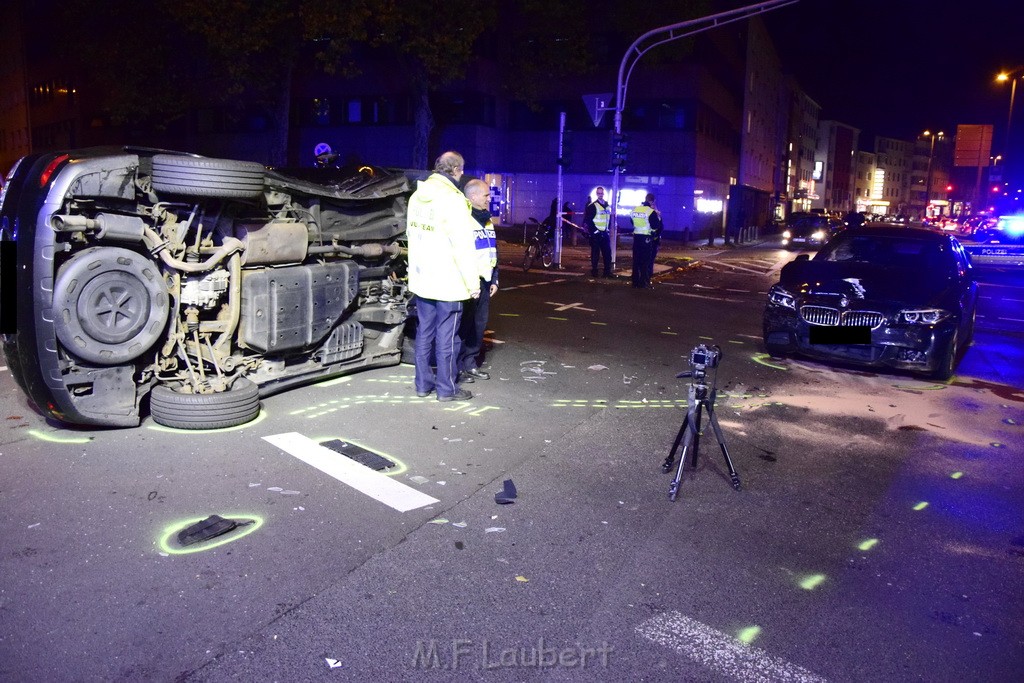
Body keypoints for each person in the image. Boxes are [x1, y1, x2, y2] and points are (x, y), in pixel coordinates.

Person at [406, 151, 481, 402]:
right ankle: (447, 389)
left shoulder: (418, 196)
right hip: (448, 282)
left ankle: (422, 385)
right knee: (448, 338)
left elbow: (411, 236)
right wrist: (473, 283)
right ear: (457, 170)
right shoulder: (453, 200)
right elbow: (463, 246)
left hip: (423, 280)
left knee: (424, 334)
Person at [456, 178, 499, 383]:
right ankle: (458, 367)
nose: (489, 199)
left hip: (484, 282)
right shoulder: (463, 219)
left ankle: (470, 364)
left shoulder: (487, 220)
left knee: (478, 325)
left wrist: (495, 279)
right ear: (473, 197)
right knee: (463, 326)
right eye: (486, 195)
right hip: (466, 283)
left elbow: (492, 252)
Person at [630, 193, 663, 289]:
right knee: (645, 262)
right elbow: (656, 226)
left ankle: (635, 282)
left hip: (636, 238)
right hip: (646, 239)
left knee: (636, 260)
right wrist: (658, 217)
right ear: (652, 201)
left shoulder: (635, 209)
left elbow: (632, 222)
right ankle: (643, 283)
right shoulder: (650, 212)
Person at [584, 186, 613, 277]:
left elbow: (608, 218)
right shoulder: (592, 206)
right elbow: (588, 220)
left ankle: (607, 272)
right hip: (596, 234)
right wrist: (595, 231)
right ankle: (594, 271)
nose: (600, 195)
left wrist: (608, 229)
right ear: (596, 194)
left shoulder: (607, 205)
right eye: (599, 193)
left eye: (602, 193)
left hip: (605, 233)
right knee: (595, 254)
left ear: (603, 194)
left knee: (607, 254)